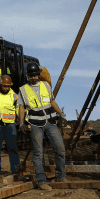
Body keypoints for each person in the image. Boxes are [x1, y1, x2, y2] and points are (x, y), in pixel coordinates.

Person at [18, 61, 66, 190]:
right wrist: (21, 122)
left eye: (35, 75)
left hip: (50, 122)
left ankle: (60, 176)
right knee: (38, 153)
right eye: (30, 75)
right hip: (35, 124)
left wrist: (61, 114)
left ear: (38, 75)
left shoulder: (46, 85)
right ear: (27, 76)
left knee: (60, 149)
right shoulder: (23, 90)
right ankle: (41, 181)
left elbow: (52, 101)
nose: (33, 77)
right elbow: (21, 107)